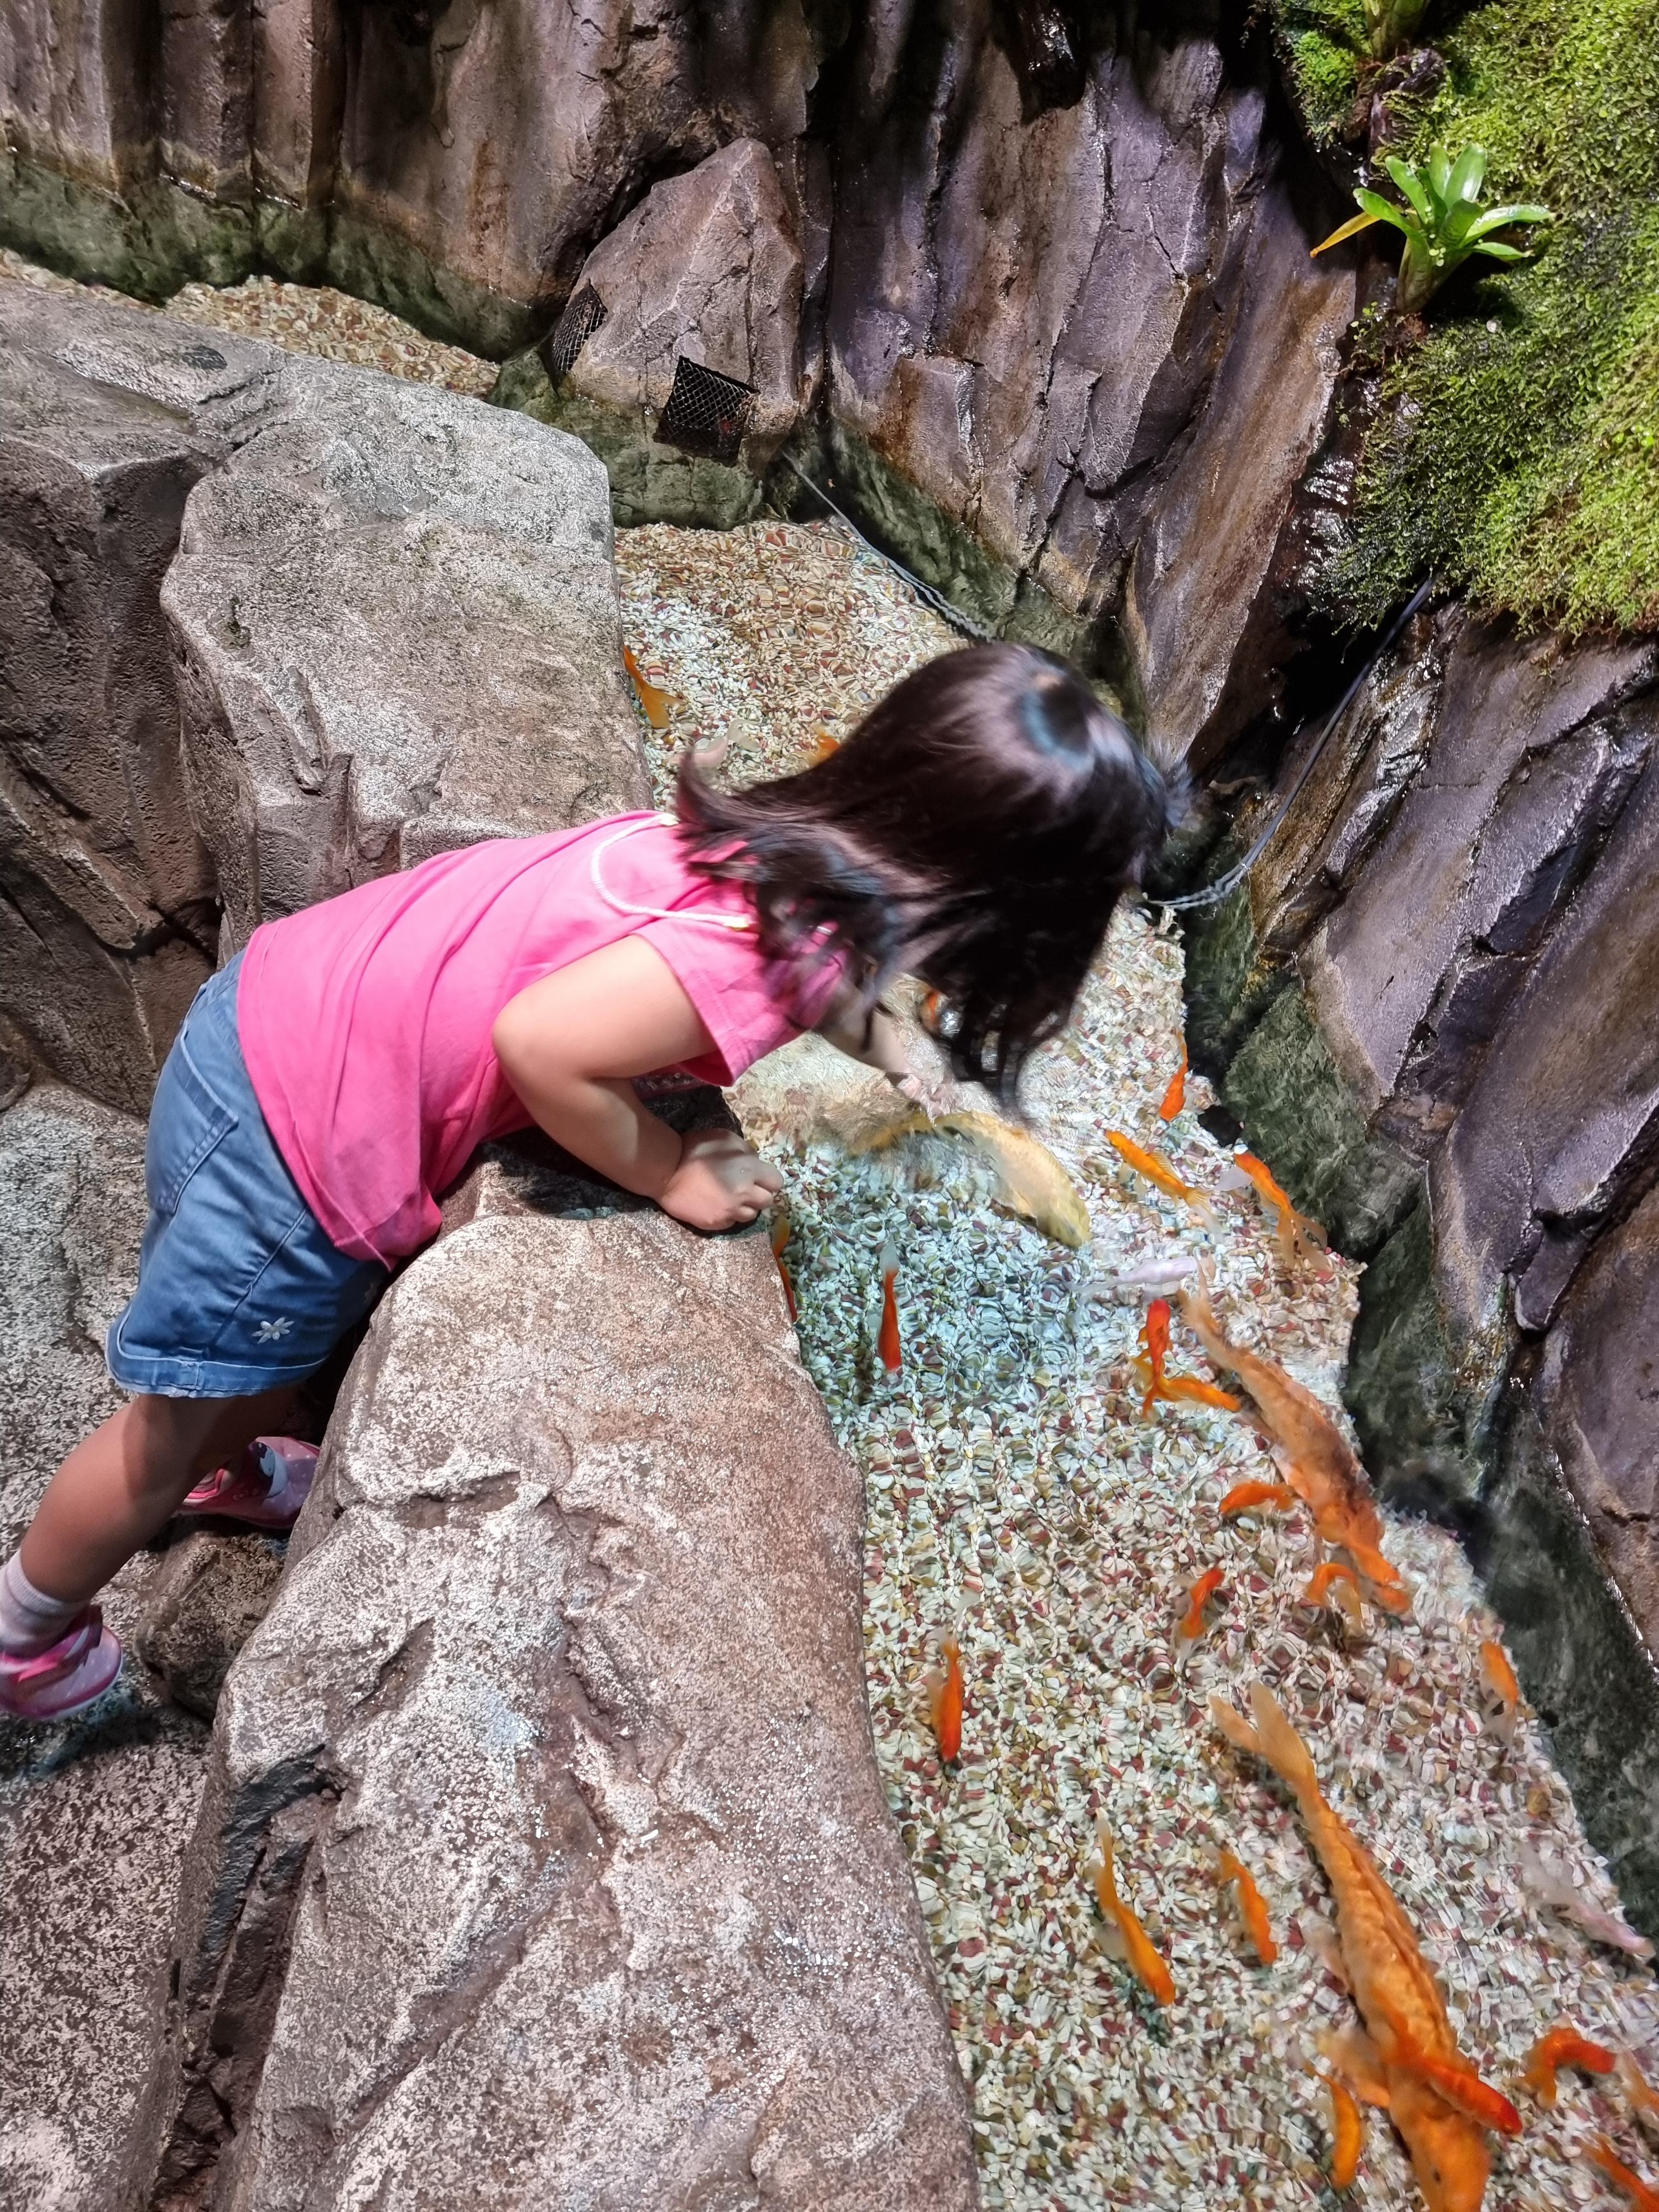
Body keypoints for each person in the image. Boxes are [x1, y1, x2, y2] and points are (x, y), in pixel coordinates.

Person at [0, 642, 1173, 1720]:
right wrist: (671, 1171)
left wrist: (886, 1044)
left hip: (268, 1022)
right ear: (983, 904)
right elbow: (543, 1042)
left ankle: (229, 1463)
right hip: (290, 1142)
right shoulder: (748, 963)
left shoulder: (762, 847)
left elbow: (821, 966)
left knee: (242, 1373)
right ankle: (24, 1633)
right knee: (156, 1437)